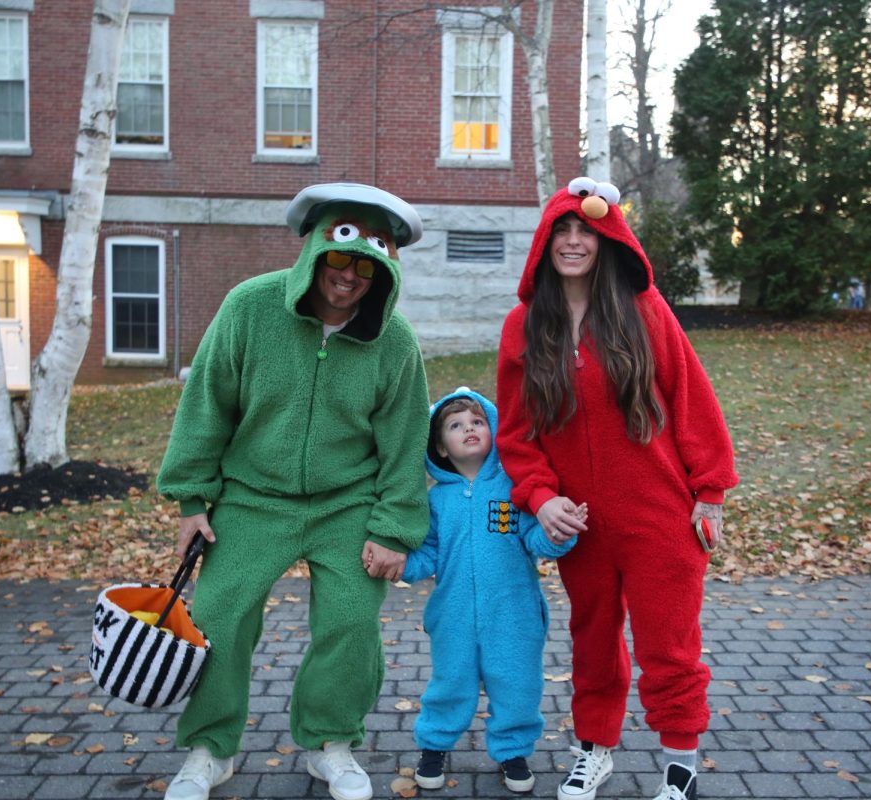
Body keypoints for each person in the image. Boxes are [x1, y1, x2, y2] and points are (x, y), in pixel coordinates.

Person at [155, 183, 432, 800]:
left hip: (348, 501)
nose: (350, 276)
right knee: (218, 615)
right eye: (339, 257)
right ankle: (210, 749)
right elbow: (207, 406)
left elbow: (406, 439)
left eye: (369, 264)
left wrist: (393, 529)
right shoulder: (249, 308)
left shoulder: (395, 341)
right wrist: (192, 501)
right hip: (253, 498)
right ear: (313, 249)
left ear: (385, 268)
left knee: (351, 620)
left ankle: (329, 744)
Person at [495, 177, 739, 800]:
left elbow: (693, 399)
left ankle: (679, 762)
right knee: (593, 643)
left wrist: (708, 491)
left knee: (670, 647)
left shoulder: (642, 311)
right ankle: (594, 749)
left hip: (660, 514)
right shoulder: (524, 327)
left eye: (586, 231)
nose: (574, 241)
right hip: (580, 522)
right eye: (562, 231)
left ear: (606, 240)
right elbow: (518, 435)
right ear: (544, 243)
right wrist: (542, 498)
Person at [403, 388, 583, 794]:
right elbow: (428, 554)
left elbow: (536, 540)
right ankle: (434, 746)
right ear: (441, 449)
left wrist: (560, 533)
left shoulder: (513, 489)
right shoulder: (436, 501)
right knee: (450, 683)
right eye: (455, 425)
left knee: (517, 684)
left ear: (494, 430)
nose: (468, 428)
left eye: (477, 421)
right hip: (453, 617)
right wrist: (401, 566)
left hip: (514, 615)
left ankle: (512, 751)